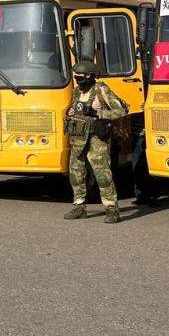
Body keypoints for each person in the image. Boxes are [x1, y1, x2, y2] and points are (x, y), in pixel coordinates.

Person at [63, 60, 128, 224]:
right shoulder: (77, 91)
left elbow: (123, 109)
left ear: (90, 76)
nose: (77, 78)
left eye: (80, 76)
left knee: (103, 176)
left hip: (96, 140)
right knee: (76, 175)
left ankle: (112, 209)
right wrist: (70, 112)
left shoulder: (101, 89)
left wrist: (99, 114)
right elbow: (73, 110)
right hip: (78, 139)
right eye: (76, 75)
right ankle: (79, 207)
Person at [131, 113, 160, 207]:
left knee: (148, 166)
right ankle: (140, 196)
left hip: (149, 134)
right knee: (137, 166)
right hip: (135, 134)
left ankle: (152, 196)